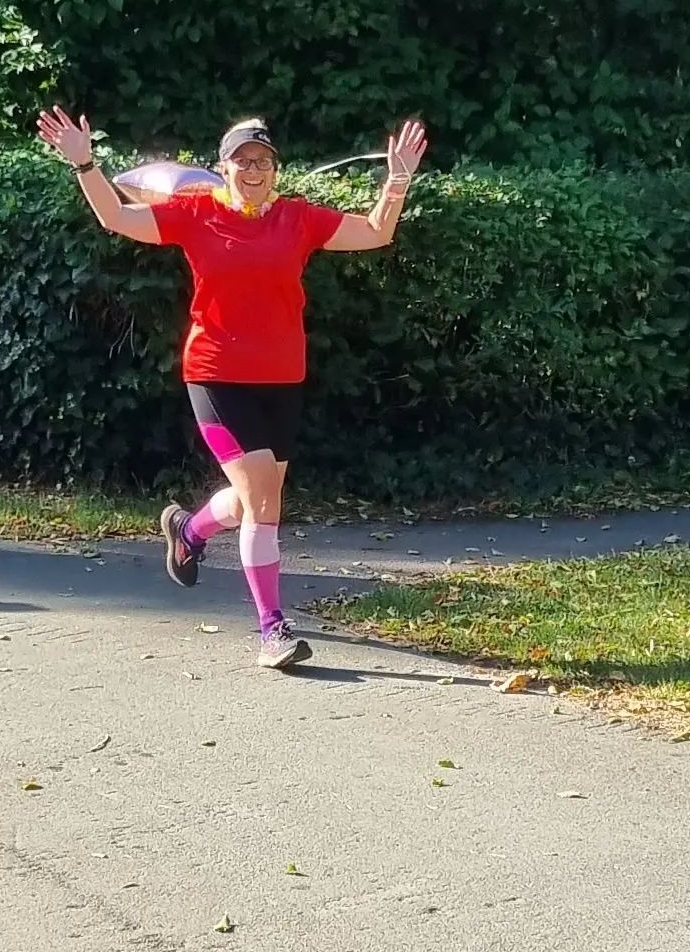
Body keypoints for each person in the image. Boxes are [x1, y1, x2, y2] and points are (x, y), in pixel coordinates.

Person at [37, 106, 427, 668]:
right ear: (223, 167)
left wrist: (397, 179)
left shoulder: (297, 219)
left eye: (263, 161)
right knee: (265, 500)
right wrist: (85, 163)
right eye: (243, 160)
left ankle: (189, 528)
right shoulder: (196, 212)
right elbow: (117, 218)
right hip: (217, 374)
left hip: (282, 379)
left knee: (254, 502)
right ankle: (273, 629)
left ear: (276, 170)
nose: (254, 169)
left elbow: (374, 232)